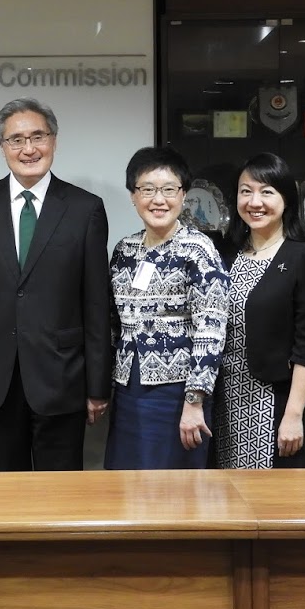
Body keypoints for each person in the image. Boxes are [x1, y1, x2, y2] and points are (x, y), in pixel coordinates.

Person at [0, 98, 111, 471]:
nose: (28, 149)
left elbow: (96, 303)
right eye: (16, 140)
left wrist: (97, 385)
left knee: (61, 499)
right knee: (2, 497)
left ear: (54, 140)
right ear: (2, 147)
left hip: (62, 380)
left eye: (38, 136)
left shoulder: (85, 208)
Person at [104, 146, 228, 469]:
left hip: (177, 393)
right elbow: (115, 323)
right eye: (147, 189)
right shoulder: (124, 250)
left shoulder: (199, 250)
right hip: (129, 389)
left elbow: (211, 329)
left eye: (169, 190)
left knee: (173, 492)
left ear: (183, 194)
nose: (158, 200)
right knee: (126, 484)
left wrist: (194, 400)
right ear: (133, 195)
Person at [210, 153, 305, 469]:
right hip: (224, 395)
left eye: (267, 192)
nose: (255, 201)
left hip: (277, 399)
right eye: (246, 191)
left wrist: (293, 415)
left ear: (286, 199)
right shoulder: (224, 252)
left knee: (275, 503)